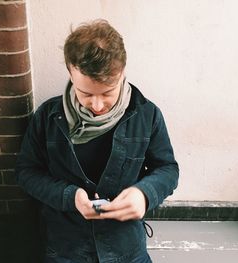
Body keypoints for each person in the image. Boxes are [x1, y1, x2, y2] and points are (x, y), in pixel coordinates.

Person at [16, 19, 179, 263]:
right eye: (86, 94)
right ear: (71, 71)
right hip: (65, 248)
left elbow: (167, 169)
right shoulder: (46, 118)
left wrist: (144, 194)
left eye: (107, 93)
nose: (97, 105)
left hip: (126, 247)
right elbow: (26, 172)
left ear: (122, 72)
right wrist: (69, 197)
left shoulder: (147, 115)